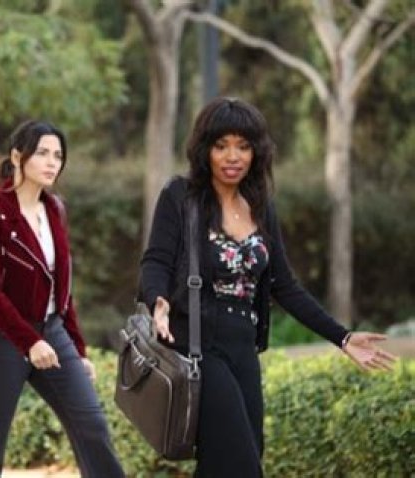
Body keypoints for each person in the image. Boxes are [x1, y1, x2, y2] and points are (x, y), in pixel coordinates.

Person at [139, 97, 396, 477]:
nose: (233, 156)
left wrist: (342, 337)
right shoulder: (182, 196)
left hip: (243, 348)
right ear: (205, 149)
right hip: (199, 346)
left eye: (243, 146)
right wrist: (157, 300)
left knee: (233, 459)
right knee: (241, 463)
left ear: (256, 152)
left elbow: (284, 286)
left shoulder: (260, 207)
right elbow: (156, 260)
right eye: (221, 145)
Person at [0, 120, 125, 477]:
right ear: (17, 157)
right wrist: (29, 342)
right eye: (43, 153)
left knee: (92, 425)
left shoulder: (54, 209)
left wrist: (77, 349)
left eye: (58, 156)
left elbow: (62, 289)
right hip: (1, 338)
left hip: (51, 332)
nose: (52, 163)